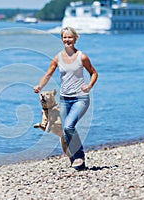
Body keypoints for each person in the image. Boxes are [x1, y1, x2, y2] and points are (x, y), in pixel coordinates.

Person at [33, 27, 98, 170]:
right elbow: (48, 74)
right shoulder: (57, 58)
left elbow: (94, 73)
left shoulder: (82, 57)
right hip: (64, 99)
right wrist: (40, 85)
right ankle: (78, 163)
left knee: (69, 126)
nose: (67, 40)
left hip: (80, 98)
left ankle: (79, 156)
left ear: (75, 39)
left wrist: (89, 86)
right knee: (65, 130)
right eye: (64, 37)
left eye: (70, 37)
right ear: (62, 39)